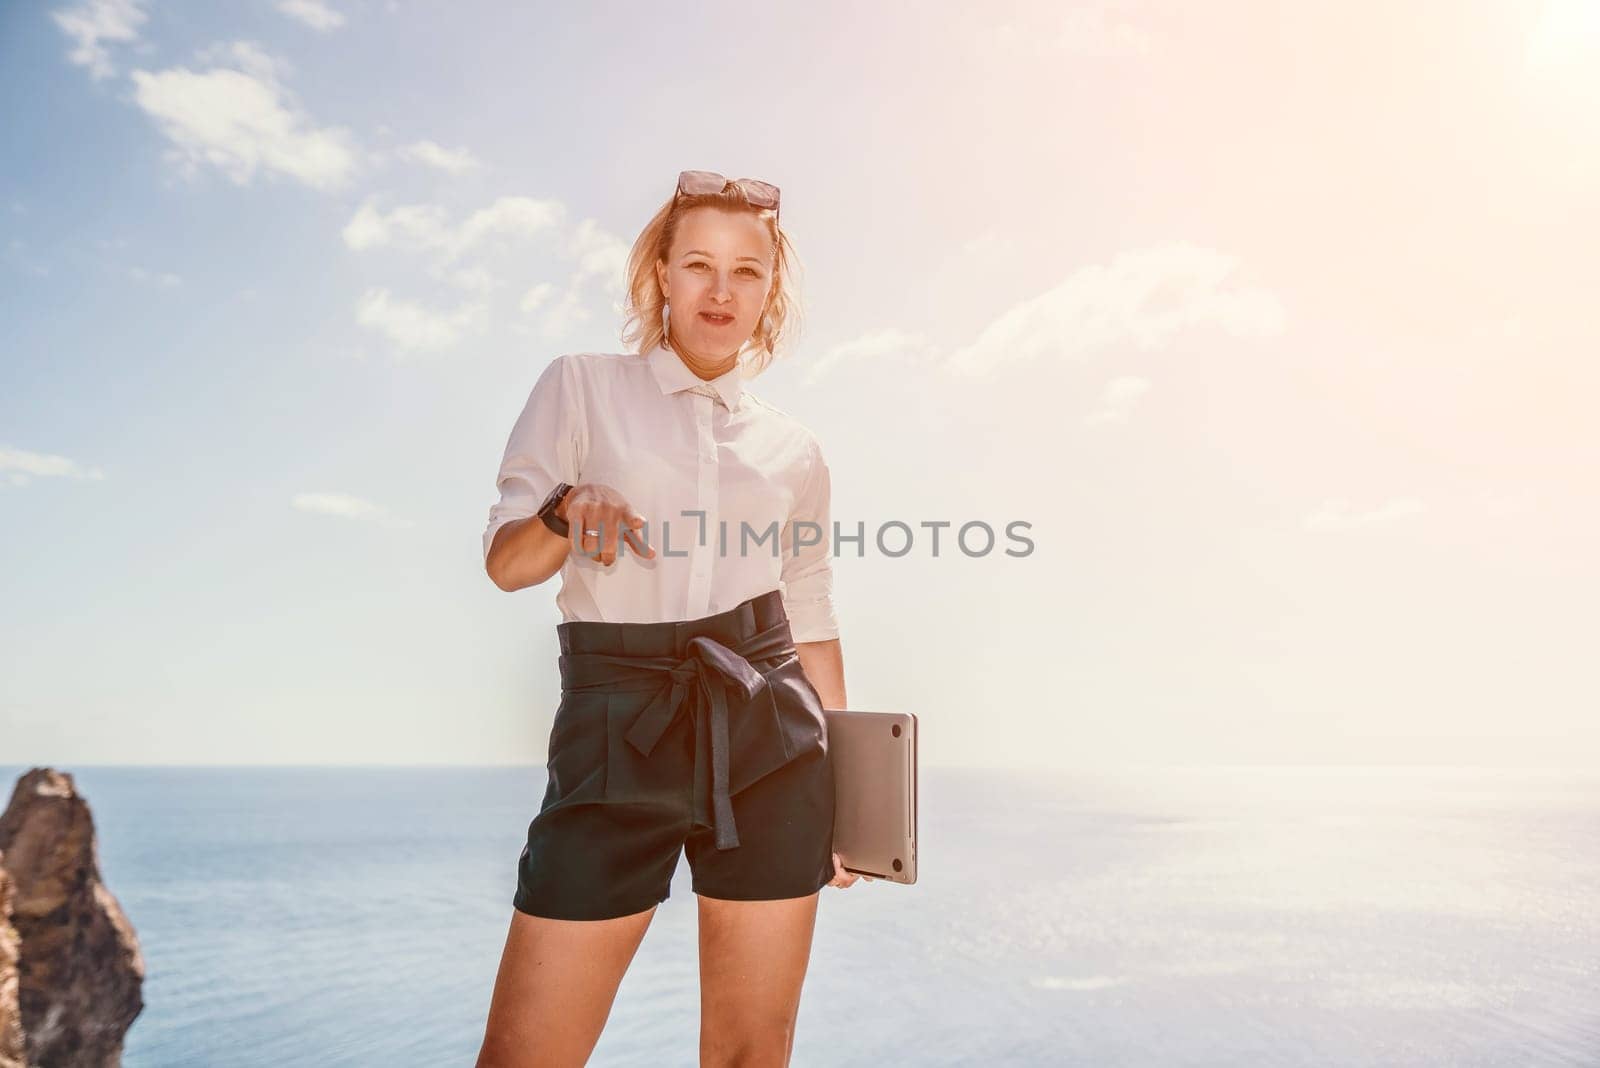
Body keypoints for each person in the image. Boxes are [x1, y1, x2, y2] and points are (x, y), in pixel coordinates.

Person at [475, 170, 863, 1068]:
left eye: (747, 272)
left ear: (771, 294)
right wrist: (565, 510)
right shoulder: (578, 386)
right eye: (698, 265)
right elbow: (505, 566)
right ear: (660, 276)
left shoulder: (794, 449)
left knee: (748, 1057)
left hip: (771, 736)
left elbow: (810, 613)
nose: (721, 291)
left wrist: (850, 794)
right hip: (618, 725)